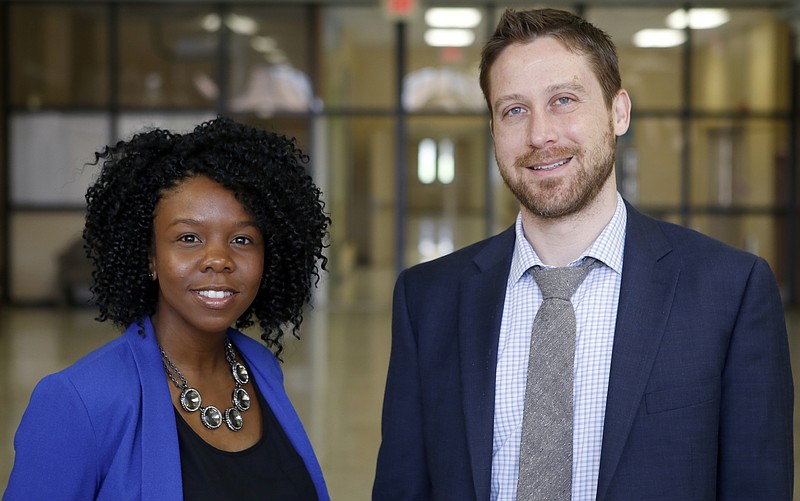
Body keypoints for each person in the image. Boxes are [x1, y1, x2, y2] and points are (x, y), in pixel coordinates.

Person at [373, 8, 793, 501]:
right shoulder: (428, 300)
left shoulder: (731, 292)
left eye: (564, 100)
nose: (539, 135)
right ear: (492, 129)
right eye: (514, 109)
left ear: (619, 112)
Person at [5, 116, 331, 500]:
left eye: (243, 239)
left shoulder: (260, 369)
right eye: (189, 237)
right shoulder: (78, 402)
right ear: (150, 258)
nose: (218, 259)